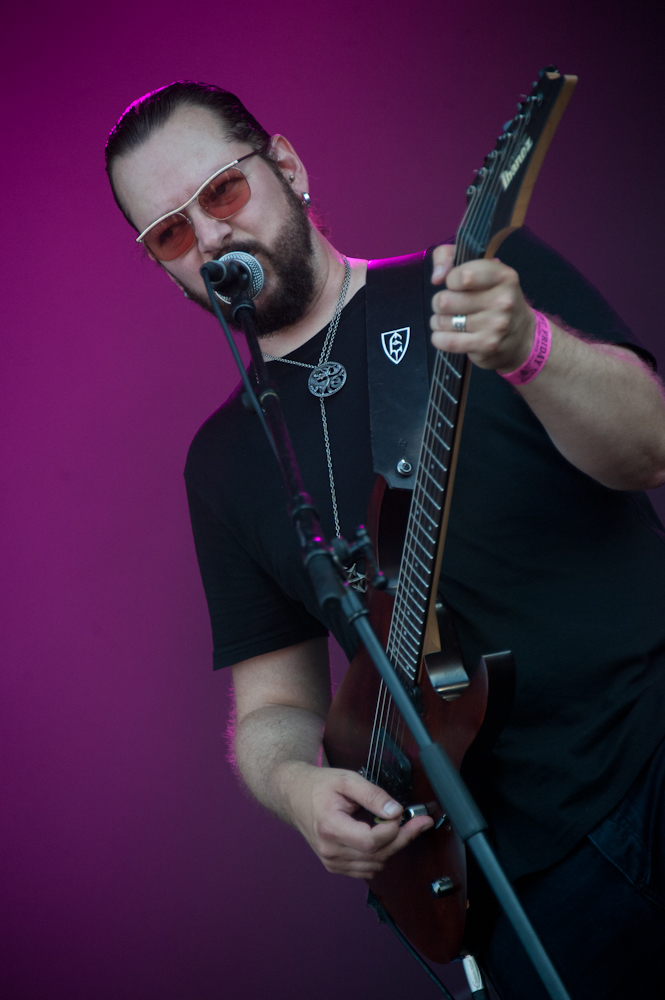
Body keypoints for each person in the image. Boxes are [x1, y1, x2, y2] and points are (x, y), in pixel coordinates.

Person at [105, 81, 665, 998]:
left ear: (286, 166)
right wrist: (296, 790)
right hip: (513, 887)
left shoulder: (474, 280)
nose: (207, 238)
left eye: (223, 193)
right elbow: (272, 706)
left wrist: (527, 346)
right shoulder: (223, 461)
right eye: (169, 232)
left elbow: (645, 452)